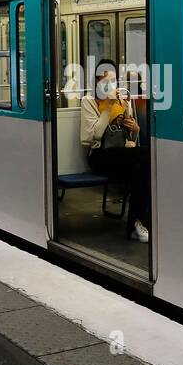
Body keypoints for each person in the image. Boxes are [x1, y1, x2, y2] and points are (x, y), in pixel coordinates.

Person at [80, 59, 150, 243]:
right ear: (96, 82)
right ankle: (138, 223)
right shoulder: (88, 101)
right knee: (144, 159)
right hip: (99, 156)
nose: (109, 85)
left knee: (141, 167)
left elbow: (131, 138)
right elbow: (91, 137)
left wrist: (135, 130)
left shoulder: (123, 101)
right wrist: (107, 108)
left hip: (122, 154)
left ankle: (136, 223)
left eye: (113, 81)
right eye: (105, 81)